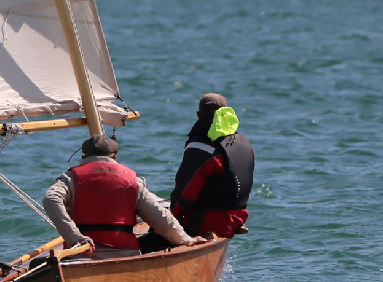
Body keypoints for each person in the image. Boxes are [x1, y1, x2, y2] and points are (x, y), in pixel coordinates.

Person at [43, 134, 205, 258]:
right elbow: (163, 221)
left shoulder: (70, 178)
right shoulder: (132, 180)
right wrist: (186, 240)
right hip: (124, 255)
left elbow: (51, 199)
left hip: (82, 255)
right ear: (114, 157)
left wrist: (75, 238)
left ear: (84, 157)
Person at [168, 93, 255, 239]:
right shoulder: (243, 143)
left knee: (154, 236)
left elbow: (186, 191)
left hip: (208, 222)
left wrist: (170, 216)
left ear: (198, 115)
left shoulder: (201, 146)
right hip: (237, 219)